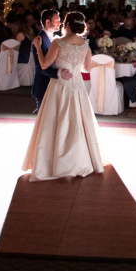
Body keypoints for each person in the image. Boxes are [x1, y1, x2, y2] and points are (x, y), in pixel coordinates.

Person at [22, 12, 107, 181]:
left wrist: (38, 48)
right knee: (78, 122)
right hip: (77, 86)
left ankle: (55, 162)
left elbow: (44, 64)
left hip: (60, 87)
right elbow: (87, 69)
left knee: (55, 121)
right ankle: (80, 160)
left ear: (67, 24)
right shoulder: (85, 44)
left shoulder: (58, 42)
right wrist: (74, 65)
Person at [30, 9, 72, 112]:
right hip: (44, 84)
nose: (60, 23)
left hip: (55, 85)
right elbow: (40, 67)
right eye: (56, 20)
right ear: (47, 22)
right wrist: (59, 72)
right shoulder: (40, 39)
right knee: (44, 116)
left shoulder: (55, 38)